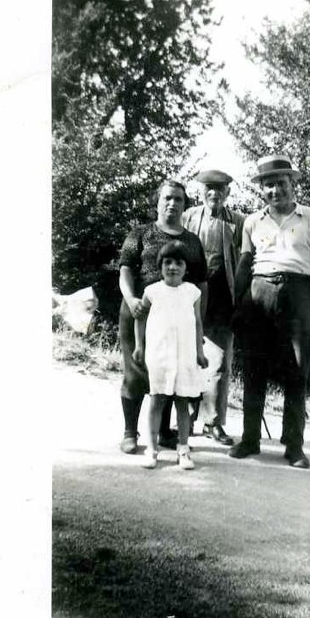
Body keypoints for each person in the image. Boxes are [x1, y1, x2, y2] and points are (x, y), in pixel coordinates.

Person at [230, 154, 310, 469]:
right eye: (269, 185)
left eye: (281, 183)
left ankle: (295, 446)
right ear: (262, 189)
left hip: (298, 293)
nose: (276, 190)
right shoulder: (251, 221)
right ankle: (249, 439)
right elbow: (245, 264)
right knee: (254, 368)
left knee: (297, 373)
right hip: (259, 294)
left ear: (293, 184)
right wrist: (238, 304)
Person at [118, 180, 208, 454]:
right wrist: (131, 299)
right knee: (137, 372)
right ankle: (130, 432)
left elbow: (202, 283)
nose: (172, 203)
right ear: (157, 202)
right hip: (140, 312)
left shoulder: (192, 241)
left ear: (184, 205)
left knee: (172, 370)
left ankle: (165, 433)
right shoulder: (141, 233)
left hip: (177, 319)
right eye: (167, 198)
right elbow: (125, 270)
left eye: (178, 199)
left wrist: (197, 324)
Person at [182, 169, 245, 446]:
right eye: (209, 187)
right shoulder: (188, 217)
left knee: (218, 363)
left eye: (220, 189)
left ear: (228, 192)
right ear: (201, 190)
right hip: (191, 296)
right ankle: (186, 419)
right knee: (188, 358)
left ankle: (214, 422)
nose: (214, 193)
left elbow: (246, 263)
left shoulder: (238, 222)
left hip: (222, 298)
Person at [133, 242, 208, 469]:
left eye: (178, 263)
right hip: (159, 354)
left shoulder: (193, 292)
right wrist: (139, 346)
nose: (173, 267)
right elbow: (140, 317)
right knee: (156, 400)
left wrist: (200, 351)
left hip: (185, 354)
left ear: (186, 268)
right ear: (160, 266)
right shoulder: (152, 291)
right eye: (167, 262)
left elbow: (197, 323)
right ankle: (152, 449)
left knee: (183, 403)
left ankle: (183, 450)